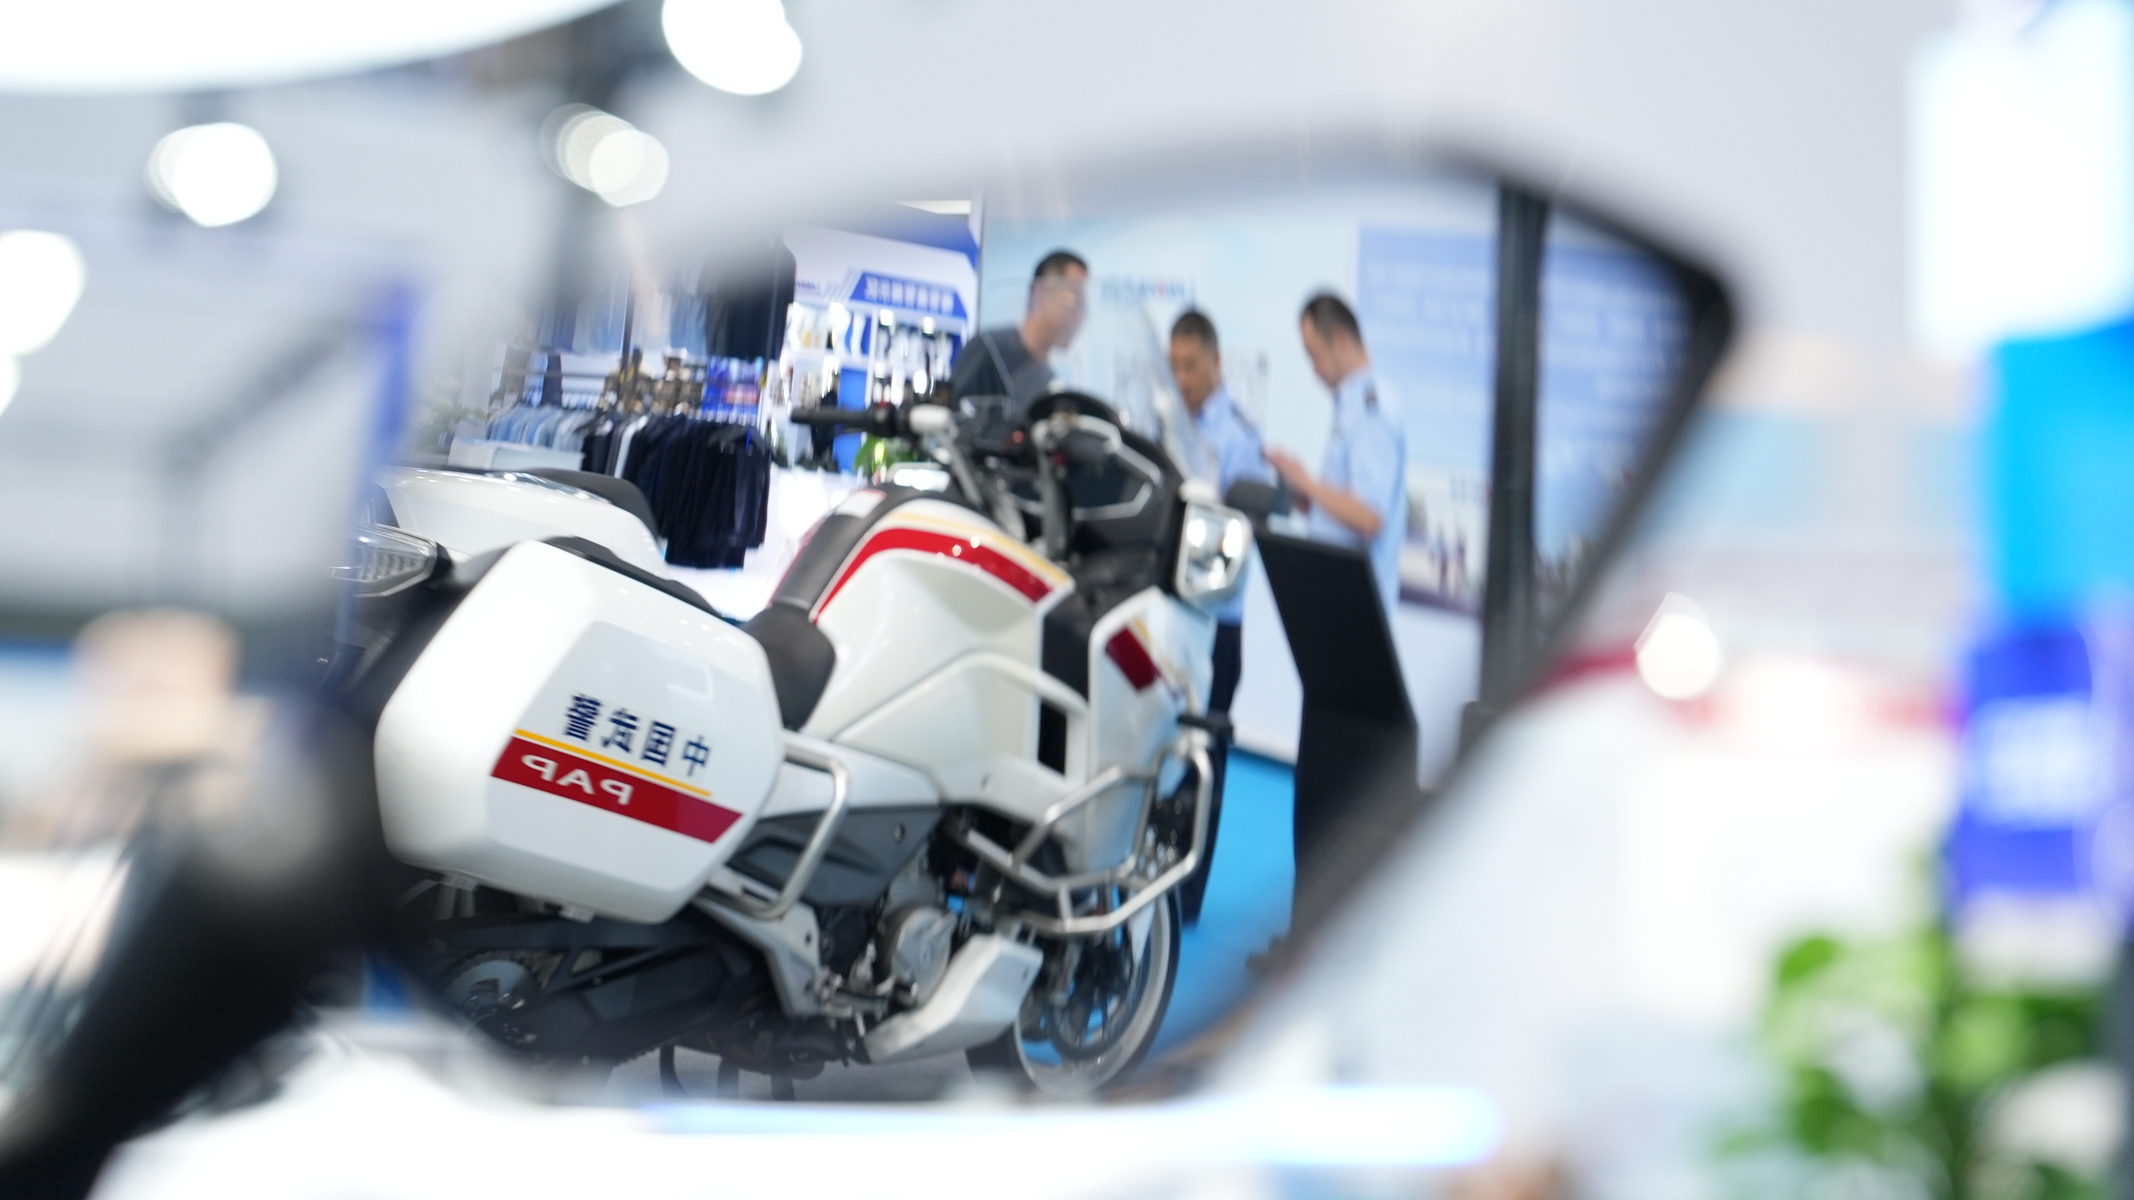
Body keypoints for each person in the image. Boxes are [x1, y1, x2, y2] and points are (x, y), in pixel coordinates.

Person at [1166, 310, 1267, 924]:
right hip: (1171, 618)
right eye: (1175, 366)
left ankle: (1189, 894)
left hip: (1218, 626)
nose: (1183, 379)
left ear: (1216, 361)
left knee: (1207, 760)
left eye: (1192, 366)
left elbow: (1239, 533)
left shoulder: (1238, 438)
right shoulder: (1170, 425)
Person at [1263, 292, 1407, 615]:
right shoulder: (1351, 404)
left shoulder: (1373, 408)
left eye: (1314, 355)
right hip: (1337, 599)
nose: (1313, 370)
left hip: (1358, 609)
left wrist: (1307, 481)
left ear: (1341, 341)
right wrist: (1307, 500)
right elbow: (1347, 503)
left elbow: (1368, 516)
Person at [948, 249, 1088, 418]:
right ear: (1041, 293)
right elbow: (951, 419)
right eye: (1074, 301)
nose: (1080, 317)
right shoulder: (990, 350)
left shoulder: (1048, 381)